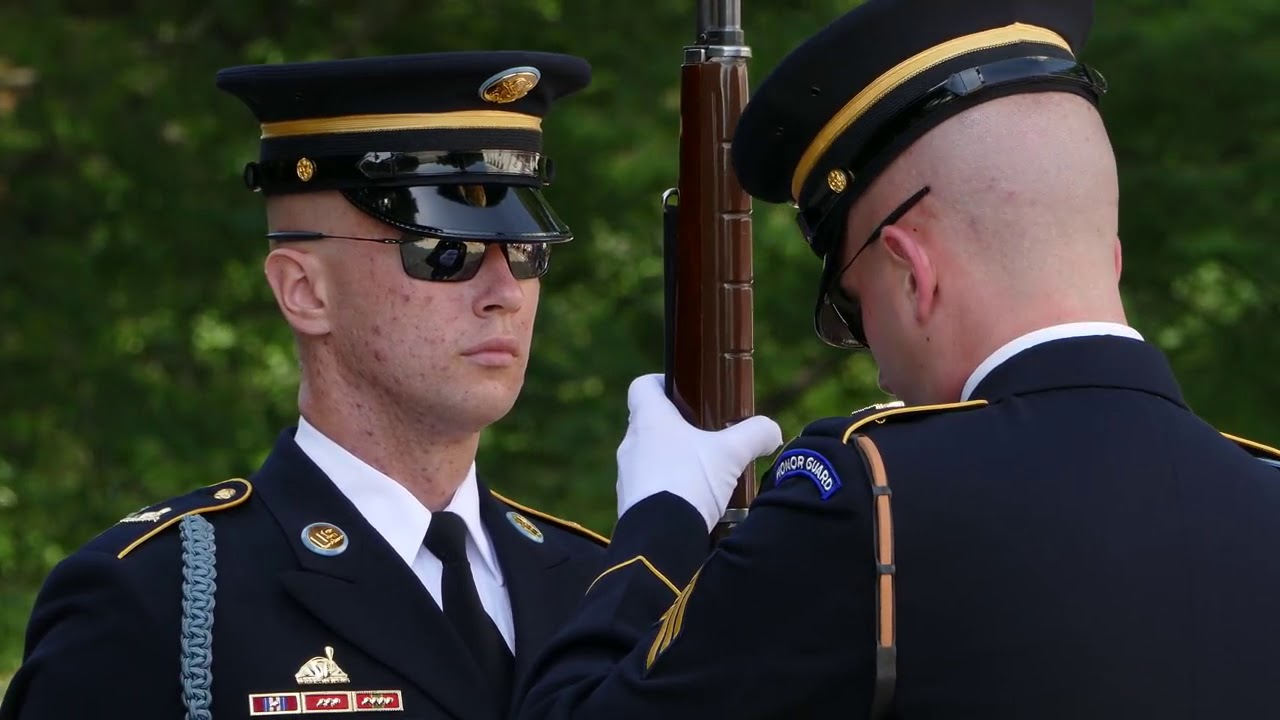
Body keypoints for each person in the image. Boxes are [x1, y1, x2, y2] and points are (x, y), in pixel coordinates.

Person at [510, 1, 1280, 718]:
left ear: (915, 274)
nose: (874, 364)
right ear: (1108, 258)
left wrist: (661, 518)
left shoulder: (868, 501)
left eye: (851, 306)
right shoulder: (1265, 493)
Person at [0, 50, 781, 720]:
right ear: (305, 292)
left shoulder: (597, 581)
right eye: (444, 251)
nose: (504, 291)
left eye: (527, 252)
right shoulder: (157, 603)